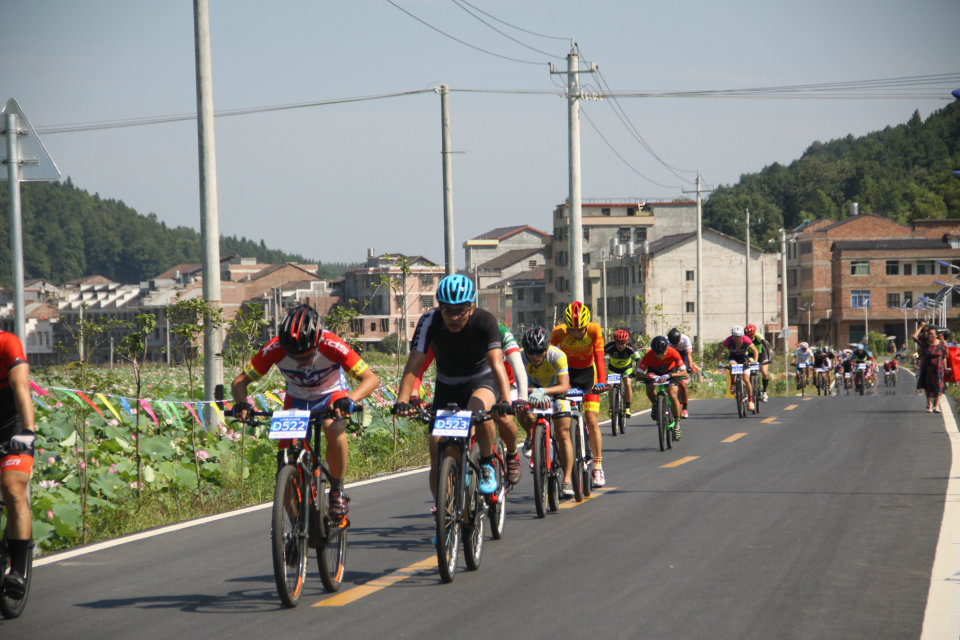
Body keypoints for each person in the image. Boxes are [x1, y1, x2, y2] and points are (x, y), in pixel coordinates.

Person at [231, 304, 379, 523]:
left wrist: (350, 400)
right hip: (297, 399)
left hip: (331, 394)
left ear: (317, 341)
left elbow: (371, 378)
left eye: (307, 356)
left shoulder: (332, 343)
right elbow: (240, 381)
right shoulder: (274, 348)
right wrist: (242, 403)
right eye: (295, 356)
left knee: (332, 426)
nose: (301, 362)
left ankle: (337, 489)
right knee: (285, 461)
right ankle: (294, 530)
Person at [393, 274, 514, 499]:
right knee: (437, 448)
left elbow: (496, 363)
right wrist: (402, 399)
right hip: (447, 385)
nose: (455, 317)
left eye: (461, 310)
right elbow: (414, 363)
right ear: (440, 308)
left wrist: (505, 400)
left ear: (472, 306)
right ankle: (444, 513)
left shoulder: (485, 321)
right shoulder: (429, 321)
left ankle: (487, 464)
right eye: (448, 310)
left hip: (481, 379)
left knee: (480, 409)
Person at [414, 322, 527, 487]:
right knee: (446, 439)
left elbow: (518, 367)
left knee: (503, 419)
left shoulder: (498, 331)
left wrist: (522, 397)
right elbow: (419, 365)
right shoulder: (441, 333)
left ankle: (511, 454)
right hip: (462, 386)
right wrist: (413, 395)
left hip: (504, 383)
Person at [551, 301, 609, 487]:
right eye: (572, 330)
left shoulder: (594, 330)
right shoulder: (558, 333)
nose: (576, 334)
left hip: (587, 375)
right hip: (567, 375)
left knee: (592, 420)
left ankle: (598, 465)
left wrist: (602, 382)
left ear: (586, 326)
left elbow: (600, 359)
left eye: (580, 330)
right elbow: (549, 360)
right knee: (563, 424)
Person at [0, 330, 37, 599]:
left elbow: (21, 386)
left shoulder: (6, 342)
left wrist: (27, 430)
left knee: (12, 489)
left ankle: (19, 571)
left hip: (11, 428)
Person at [517, 327, 574, 498]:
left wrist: (543, 392)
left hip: (557, 394)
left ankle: (567, 480)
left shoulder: (557, 356)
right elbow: (514, 385)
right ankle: (530, 435)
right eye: (531, 352)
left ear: (546, 349)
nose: (535, 356)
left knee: (563, 433)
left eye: (539, 352)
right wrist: (532, 391)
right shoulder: (519, 358)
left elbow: (564, 386)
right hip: (531, 393)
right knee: (519, 405)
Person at [637, 336, 688, 439]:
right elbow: (638, 374)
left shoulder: (673, 353)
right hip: (654, 372)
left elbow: (684, 372)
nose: (660, 357)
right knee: (649, 388)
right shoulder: (648, 356)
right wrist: (648, 376)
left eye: (662, 354)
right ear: (653, 352)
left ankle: (677, 424)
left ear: (666, 350)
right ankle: (656, 404)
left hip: (670, 372)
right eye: (657, 354)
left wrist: (670, 376)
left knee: (672, 394)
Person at [720, 326, 759, 411]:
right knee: (732, 366)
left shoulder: (746, 340)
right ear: (732, 336)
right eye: (734, 336)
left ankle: (751, 401)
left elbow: (755, 350)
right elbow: (720, 350)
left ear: (741, 336)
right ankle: (733, 383)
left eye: (738, 337)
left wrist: (755, 361)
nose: (736, 338)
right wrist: (719, 362)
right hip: (733, 358)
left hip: (744, 358)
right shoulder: (728, 340)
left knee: (746, 379)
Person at [604, 328, 641, 418]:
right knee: (611, 385)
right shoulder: (609, 346)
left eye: (622, 343)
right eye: (618, 343)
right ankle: (611, 407)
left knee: (627, 383)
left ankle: (627, 407)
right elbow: (600, 358)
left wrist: (636, 370)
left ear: (626, 342)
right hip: (613, 368)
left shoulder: (631, 347)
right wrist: (603, 372)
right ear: (614, 342)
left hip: (626, 368)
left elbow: (638, 359)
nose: (620, 346)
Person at [913, 321, 947, 412]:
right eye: (929, 334)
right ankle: (930, 405)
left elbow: (944, 357)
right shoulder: (925, 344)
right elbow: (914, 337)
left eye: (932, 334)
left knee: (939, 387)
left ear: (936, 335)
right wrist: (921, 327)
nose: (930, 336)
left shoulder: (941, 344)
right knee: (929, 388)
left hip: (939, 369)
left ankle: (936, 406)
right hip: (928, 369)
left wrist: (945, 367)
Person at [667, 328, 697, 417]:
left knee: (683, 384)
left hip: (683, 360)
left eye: (677, 343)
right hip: (672, 360)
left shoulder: (685, 339)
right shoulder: (666, 341)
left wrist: (690, 368)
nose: (675, 345)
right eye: (673, 344)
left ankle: (685, 408)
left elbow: (688, 355)